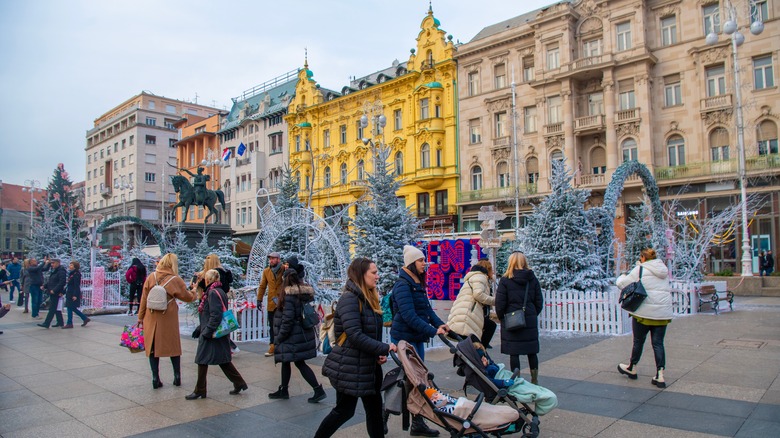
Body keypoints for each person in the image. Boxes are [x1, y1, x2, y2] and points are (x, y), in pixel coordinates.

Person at [315, 258, 397, 438]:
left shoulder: (368, 297)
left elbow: (369, 333)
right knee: (344, 411)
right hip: (350, 367)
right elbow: (355, 335)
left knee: (375, 412)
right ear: (361, 274)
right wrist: (384, 348)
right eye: (373, 273)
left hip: (368, 366)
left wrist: (377, 354)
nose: (378, 276)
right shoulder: (350, 299)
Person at [390, 245, 447, 437]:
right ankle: (383, 416)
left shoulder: (415, 282)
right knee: (407, 383)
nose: (425, 264)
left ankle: (417, 423)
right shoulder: (402, 285)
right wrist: (432, 331)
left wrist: (441, 325)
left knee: (417, 382)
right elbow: (409, 316)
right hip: (405, 340)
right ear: (412, 263)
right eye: (421, 260)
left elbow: (427, 310)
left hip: (415, 339)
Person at [268, 256, 326, 403]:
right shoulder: (301, 292)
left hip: (292, 335)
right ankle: (284, 389)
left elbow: (287, 319)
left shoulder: (289, 295)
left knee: (299, 363)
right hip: (300, 333)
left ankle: (318, 390)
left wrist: (279, 337)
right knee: (286, 361)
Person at [186, 269, 248, 400]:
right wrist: (200, 327)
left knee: (202, 360)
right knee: (223, 361)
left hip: (212, 332)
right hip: (216, 332)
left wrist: (206, 332)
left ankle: (200, 390)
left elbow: (215, 315)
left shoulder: (212, 293)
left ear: (209, 280)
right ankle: (239, 383)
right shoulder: (218, 290)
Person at [616, 247, 673, 388]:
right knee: (658, 343)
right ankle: (660, 374)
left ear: (643, 258)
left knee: (638, 341)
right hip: (662, 314)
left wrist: (622, 276)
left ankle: (632, 367)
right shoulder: (663, 270)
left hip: (644, 313)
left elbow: (622, 284)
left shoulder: (640, 269)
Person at [137, 253, 196, 389]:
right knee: (173, 346)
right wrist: (194, 291)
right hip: (168, 316)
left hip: (151, 316)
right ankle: (177, 377)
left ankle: (155, 378)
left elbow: (144, 299)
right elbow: (187, 297)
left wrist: (140, 317)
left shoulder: (151, 277)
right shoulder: (175, 279)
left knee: (152, 347)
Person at [495, 251, 544, 385]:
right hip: (529, 319)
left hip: (512, 319)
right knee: (532, 351)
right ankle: (535, 379)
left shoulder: (505, 280)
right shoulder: (532, 279)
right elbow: (539, 301)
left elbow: (500, 303)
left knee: (514, 353)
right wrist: (531, 314)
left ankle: (516, 380)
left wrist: (503, 318)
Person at [191, 254, 238, 353]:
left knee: (212, 324)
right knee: (216, 324)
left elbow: (210, 286)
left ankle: (227, 346)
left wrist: (200, 282)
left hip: (210, 301)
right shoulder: (215, 272)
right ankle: (227, 346)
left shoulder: (216, 273)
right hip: (210, 300)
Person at [447, 259, 496, 341]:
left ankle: (479, 351)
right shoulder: (480, 277)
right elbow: (478, 294)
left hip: (464, 314)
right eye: (491, 269)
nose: (493, 272)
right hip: (468, 315)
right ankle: (481, 351)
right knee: (489, 327)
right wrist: (496, 301)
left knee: (466, 345)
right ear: (488, 269)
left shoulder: (474, 276)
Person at [257, 251, 285, 357]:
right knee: (272, 325)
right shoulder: (266, 271)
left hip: (282, 302)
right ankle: (273, 345)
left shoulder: (283, 269)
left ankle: (282, 345)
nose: (271, 260)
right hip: (271, 303)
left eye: (273, 258)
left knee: (282, 324)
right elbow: (262, 286)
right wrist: (259, 299)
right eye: (270, 259)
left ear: (278, 259)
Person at [37, 258, 67, 329]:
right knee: (56, 308)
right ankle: (60, 322)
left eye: (53, 263)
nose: (52, 265)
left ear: (58, 263)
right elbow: (51, 281)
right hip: (52, 291)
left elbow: (62, 282)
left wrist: (55, 290)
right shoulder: (55, 271)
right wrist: (44, 286)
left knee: (52, 308)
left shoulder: (61, 271)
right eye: (51, 263)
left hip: (55, 292)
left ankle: (47, 323)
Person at [63, 261, 90, 328]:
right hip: (69, 292)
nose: (70, 266)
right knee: (72, 308)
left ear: (75, 266)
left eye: (71, 265)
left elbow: (76, 285)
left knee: (70, 308)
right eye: (70, 265)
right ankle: (84, 318)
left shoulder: (76, 274)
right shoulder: (72, 273)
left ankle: (69, 323)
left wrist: (75, 295)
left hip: (72, 293)